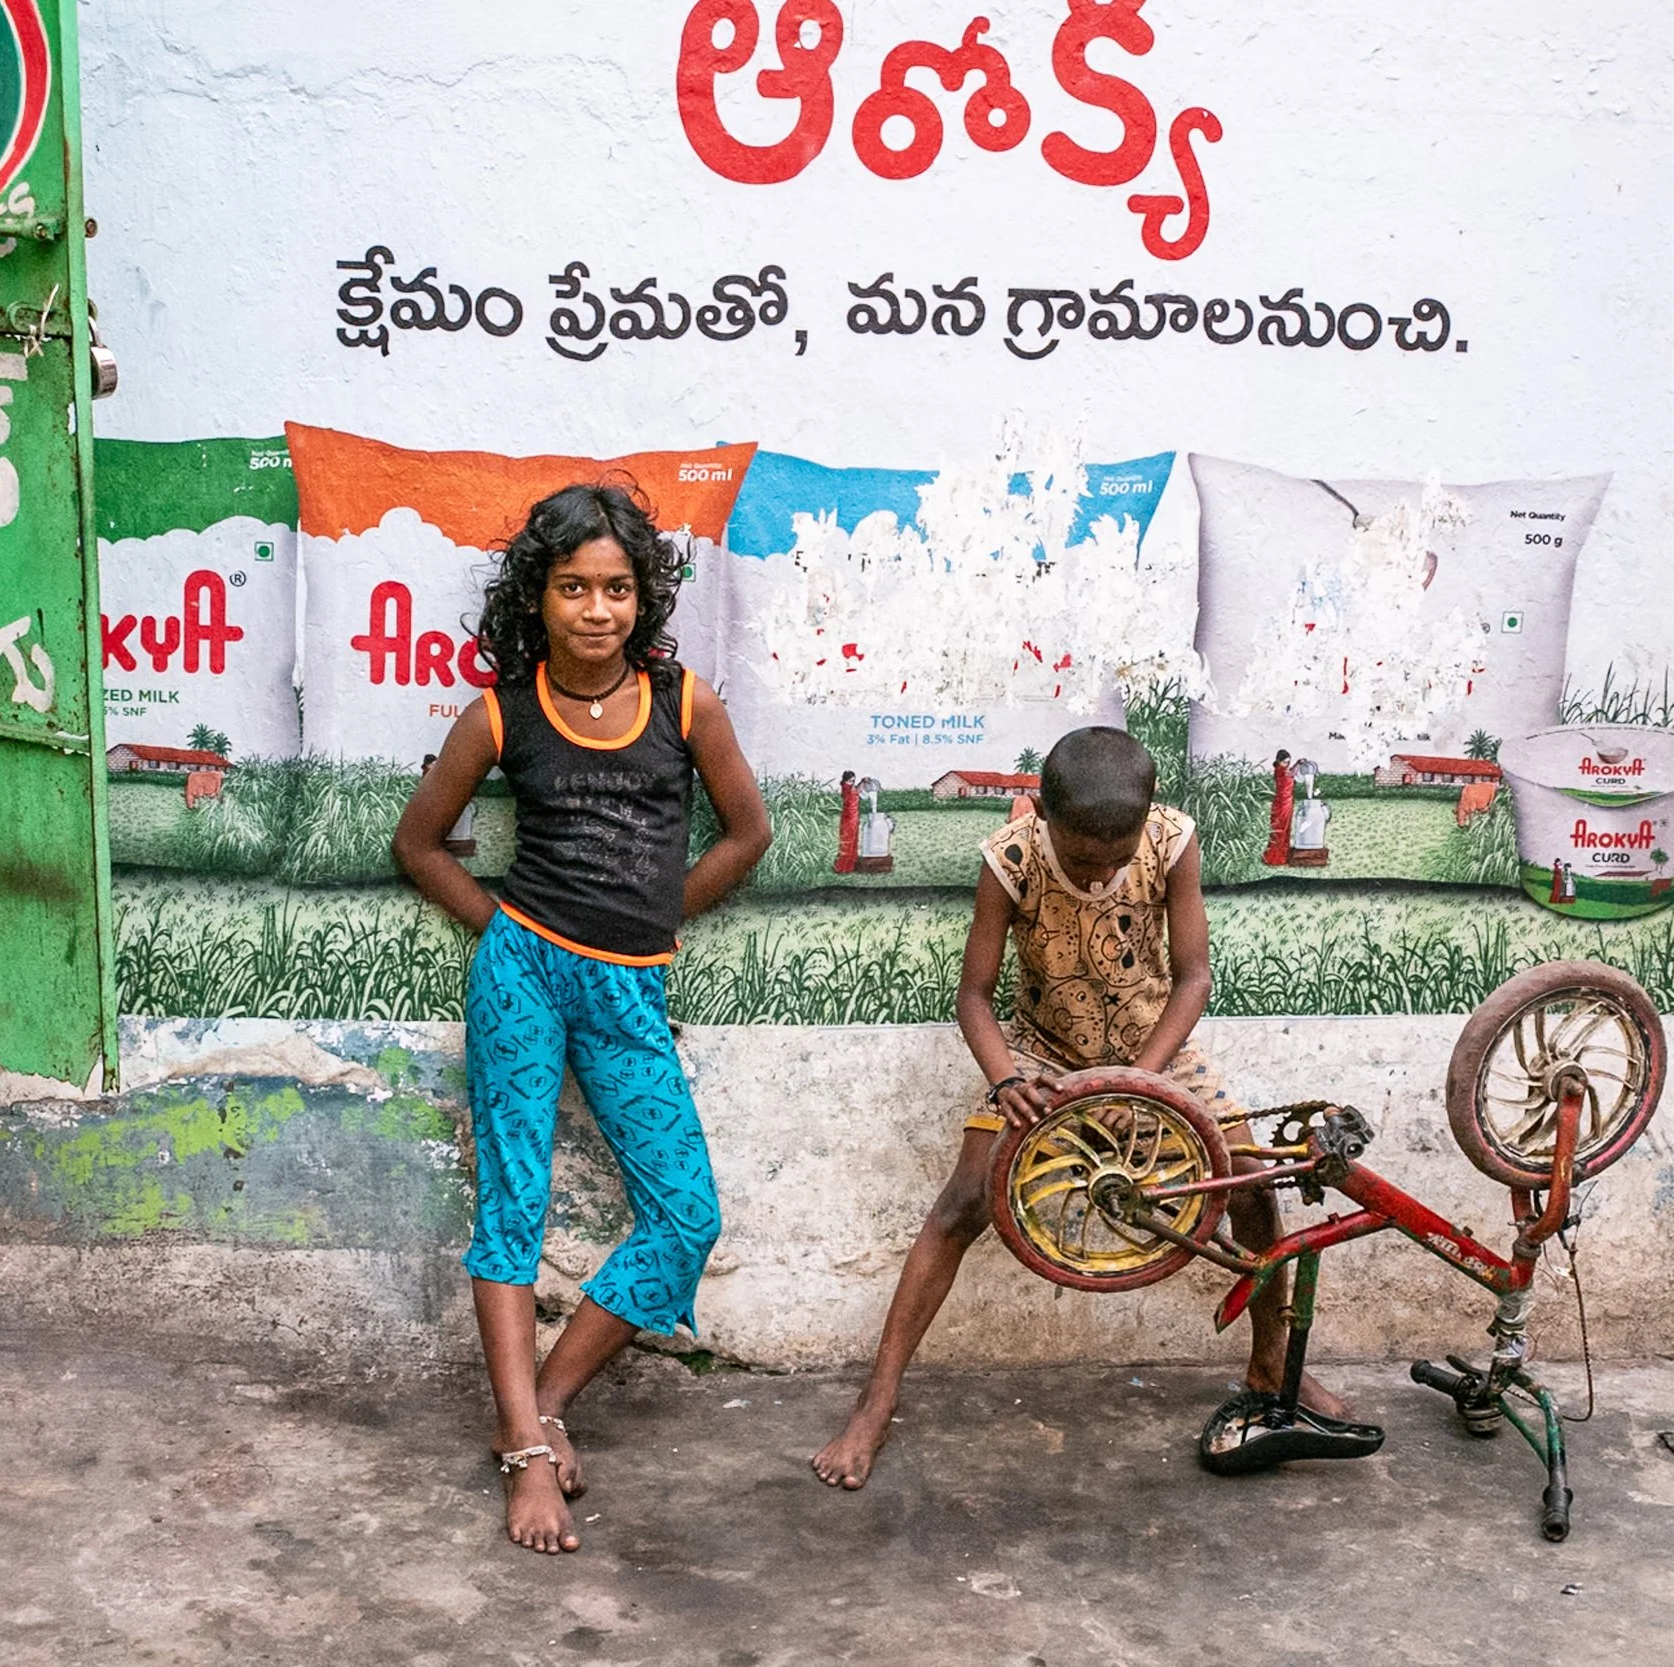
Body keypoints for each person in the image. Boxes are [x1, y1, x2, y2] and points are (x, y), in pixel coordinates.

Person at [811, 726, 1346, 1490]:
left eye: (1115, 859)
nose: (1100, 877)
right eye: (1084, 859)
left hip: (1155, 1051)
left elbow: (1193, 979)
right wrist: (1004, 1080)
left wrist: (1138, 1079)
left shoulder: (1171, 843)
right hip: (1041, 1055)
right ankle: (876, 1401)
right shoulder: (1012, 859)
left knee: (1252, 1184)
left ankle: (1269, 1367)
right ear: (1041, 815)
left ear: (1147, 821)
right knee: (963, 1203)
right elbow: (973, 997)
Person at [393, 482, 772, 1556]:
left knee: (684, 1215)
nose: (596, 609)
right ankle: (522, 1449)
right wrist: (506, 934)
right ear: (538, 597)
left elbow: (747, 834)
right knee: (514, 1205)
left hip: (627, 987)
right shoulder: (502, 713)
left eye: (616, 587)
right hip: (521, 974)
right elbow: (419, 843)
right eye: (573, 587)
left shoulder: (684, 703)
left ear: (643, 596)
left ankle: (543, 1400)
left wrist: (655, 917)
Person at [1262, 747, 1295, 865]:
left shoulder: (1283, 769)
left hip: (1287, 802)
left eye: (1288, 762)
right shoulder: (1280, 770)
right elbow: (1291, 773)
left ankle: (1284, 856)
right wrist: (1297, 764)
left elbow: (1291, 773)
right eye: (1285, 762)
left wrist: (1296, 764)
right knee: (1280, 830)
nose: (1287, 764)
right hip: (1282, 803)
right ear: (1279, 761)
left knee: (1286, 829)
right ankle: (1275, 858)